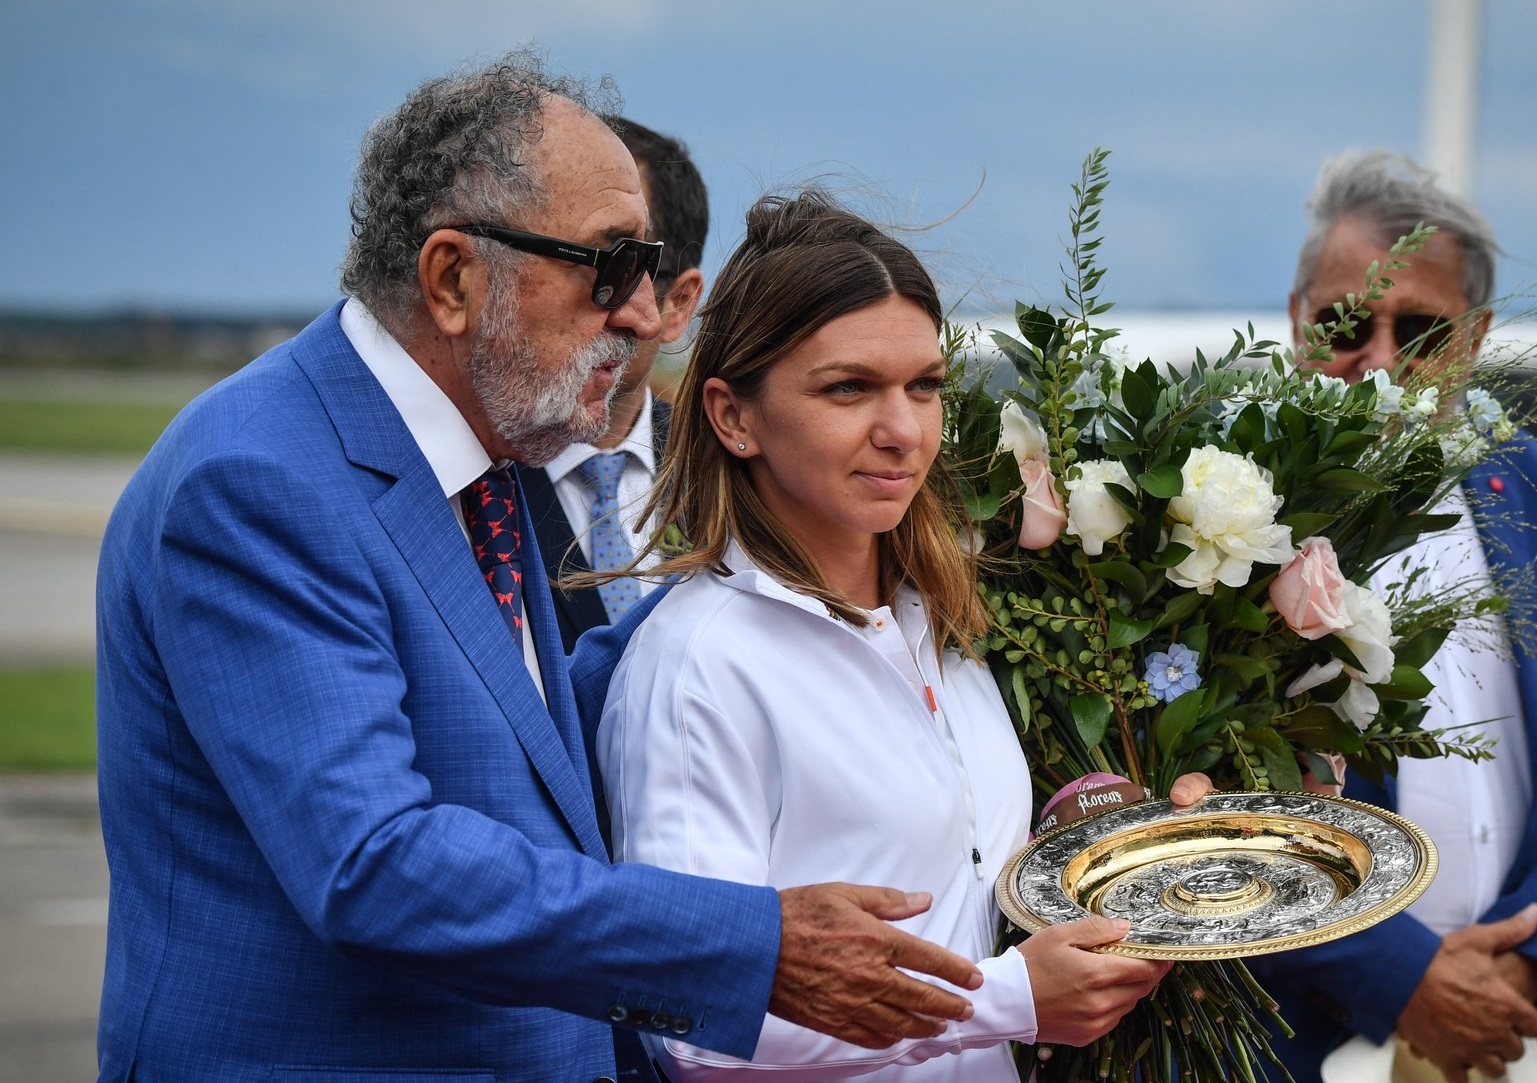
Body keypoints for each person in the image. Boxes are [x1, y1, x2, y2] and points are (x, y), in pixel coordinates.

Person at [93, 54, 989, 1083]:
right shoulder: (258, 481)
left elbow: (530, 732)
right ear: (453, 278)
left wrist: (837, 578)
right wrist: (756, 944)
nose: (648, 317)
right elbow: (375, 867)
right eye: (609, 268)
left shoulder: (486, 453)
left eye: (651, 270)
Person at [596, 191, 1204, 1080]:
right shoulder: (700, 664)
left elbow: (963, 884)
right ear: (733, 415)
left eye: (924, 386)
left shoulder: (943, 621)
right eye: (848, 388)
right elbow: (689, 1016)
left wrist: (1145, 851)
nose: (901, 430)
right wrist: (1007, 999)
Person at [1247, 149, 1537, 1083]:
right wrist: (1406, 975)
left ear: (1473, 338)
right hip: (1293, 1041)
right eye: (1349, 322)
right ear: (1301, 317)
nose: (1380, 360)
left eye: (1420, 330)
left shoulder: (1535, 488)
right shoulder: (1219, 505)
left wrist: (1525, 965)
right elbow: (1207, 808)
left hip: (1491, 1028)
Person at [520, 117, 708, 650]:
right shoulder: (471, 486)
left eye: (617, 265)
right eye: (558, 259)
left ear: (677, 303)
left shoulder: (737, 476)